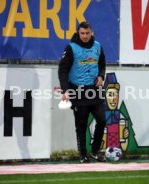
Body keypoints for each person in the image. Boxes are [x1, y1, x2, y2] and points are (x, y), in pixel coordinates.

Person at [58, 21, 106, 163]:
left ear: (92, 32)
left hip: (94, 90)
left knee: (102, 120)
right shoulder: (71, 48)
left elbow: (102, 64)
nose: (85, 36)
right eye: (82, 33)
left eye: (87, 33)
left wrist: (101, 76)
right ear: (78, 33)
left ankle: (95, 151)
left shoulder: (98, 46)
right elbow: (63, 70)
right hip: (77, 91)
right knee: (81, 125)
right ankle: (83, 155)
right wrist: (65, 90)